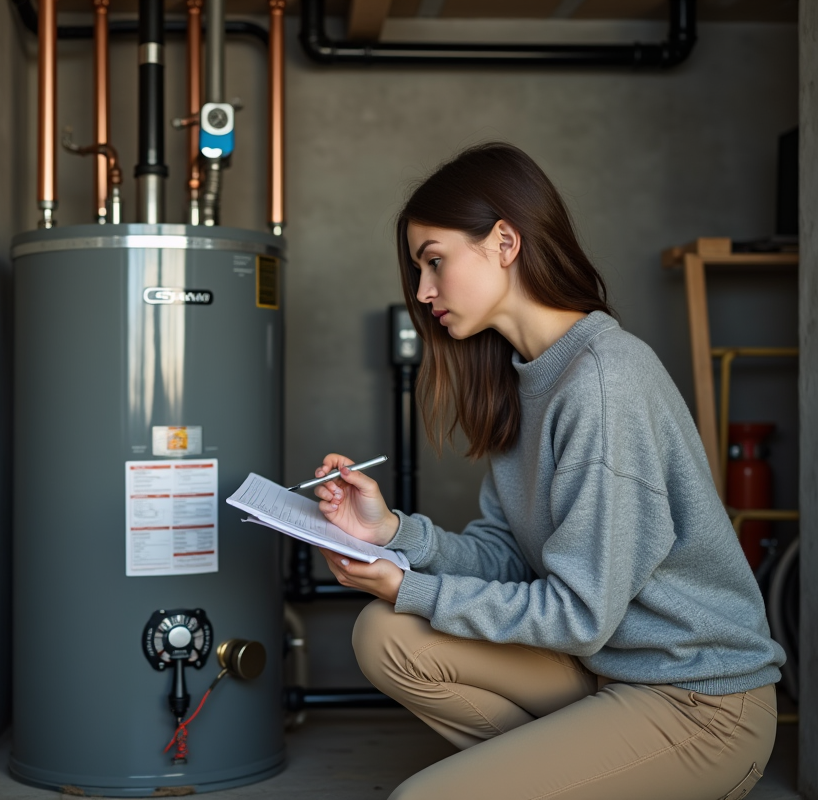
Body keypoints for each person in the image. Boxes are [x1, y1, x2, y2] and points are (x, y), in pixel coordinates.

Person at [311, 142, 785, 800]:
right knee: (386, 635)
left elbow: (578, 613)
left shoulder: (604, 380)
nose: (422, 293)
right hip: (602, 666)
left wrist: (409, 587)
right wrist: (394, 533)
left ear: (504, 241)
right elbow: (507, 554)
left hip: (697, 703)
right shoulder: (524, 377)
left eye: (435, 262)